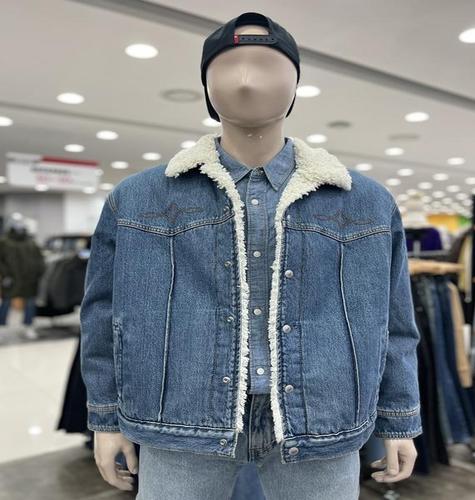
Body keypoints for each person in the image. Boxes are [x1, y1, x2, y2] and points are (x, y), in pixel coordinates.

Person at [80, 11, 422, 500]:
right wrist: (105, 417)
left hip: (321, 420)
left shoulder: (365, 202)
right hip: (180, 418)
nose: (245, 78)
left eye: (268, 64)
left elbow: (393, 321)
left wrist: (398, 418)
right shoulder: (138, 199)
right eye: (227, 65)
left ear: (295, 85)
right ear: (206, 88)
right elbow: (103, 315)